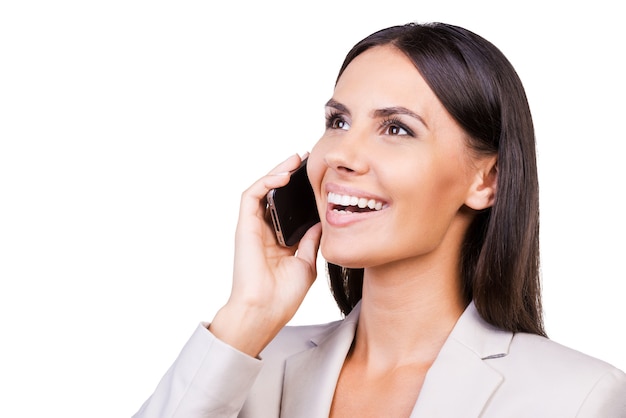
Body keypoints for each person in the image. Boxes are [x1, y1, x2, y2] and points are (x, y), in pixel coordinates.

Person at [133, 22, 626, 417]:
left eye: (395, 128)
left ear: (487, 181)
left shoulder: (576, 398)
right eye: (338, 122)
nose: (342, 154)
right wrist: (248, 314)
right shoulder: (246, 365)